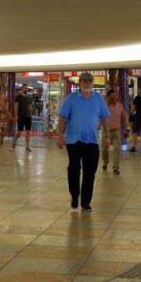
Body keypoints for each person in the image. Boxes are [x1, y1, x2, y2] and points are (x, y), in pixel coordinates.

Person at [56, 72, 109, 211]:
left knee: (90, 172)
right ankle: (74, 195)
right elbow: (62, 117)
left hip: (92, 141)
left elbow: (105, 118)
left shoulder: (98, 98)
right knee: (74, 168)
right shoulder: (71, 98)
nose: (87, 83)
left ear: (93, 82)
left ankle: (86, 202)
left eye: (90, 81)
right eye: (84, 81)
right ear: (79, 83)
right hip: (74, 141)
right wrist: (60, 135)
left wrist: (107, 136)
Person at [100, 89, 129, 174]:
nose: (114, 97)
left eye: (115, 95)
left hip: (117, 131)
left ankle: (116, 167)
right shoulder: (103, 106)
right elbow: (98, 117)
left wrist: (127, 129)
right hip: (106, 131)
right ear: (108, 97)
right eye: (112, 96)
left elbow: (125, 118)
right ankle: (105, 162)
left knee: (117, 149)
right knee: (105, 149)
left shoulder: (119, 106)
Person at [13, 83, 34, 151]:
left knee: (28, 132)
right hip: (21, 116)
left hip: (28, 117)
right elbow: (15, 107)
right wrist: (16, 116)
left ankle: (27, 146)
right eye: (25, 88)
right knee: (19, 132)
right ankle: (15, 139)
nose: (26, 89)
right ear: (22, 89)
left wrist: (31, 113)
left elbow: (30, 106)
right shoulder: (18, 97)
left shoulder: (30, 97)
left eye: (27, 88)